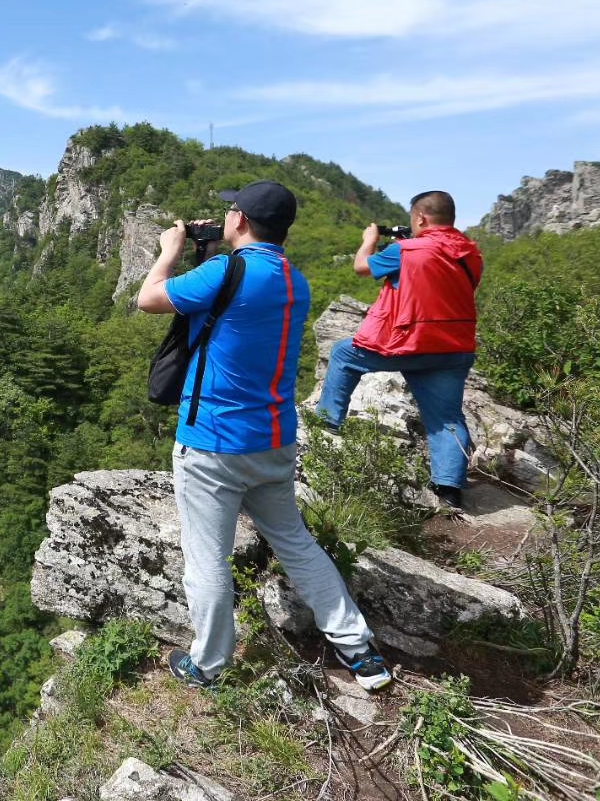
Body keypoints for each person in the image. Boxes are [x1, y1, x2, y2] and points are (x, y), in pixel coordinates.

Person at [137, 181, 391, 691]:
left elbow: (148, 299)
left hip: (211, 441)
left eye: (230, 209)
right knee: (296, 543)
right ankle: (360, 651)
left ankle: (208, 666)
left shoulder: (223, 273)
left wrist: (169, 252)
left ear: (241, 220)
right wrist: (212, 251)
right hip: (273, 438)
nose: (226, 215)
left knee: (206, 559)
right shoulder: (295, 281)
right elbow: (236, 309)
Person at [315, 191, 483, 511]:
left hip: (409, 342)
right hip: (453, 347)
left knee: (342, 354)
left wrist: (369, 240)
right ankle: (449, 491)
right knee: (447, 417)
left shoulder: (404, 251)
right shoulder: (470, 253)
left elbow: (362, 267)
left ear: (420, 218)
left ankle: (326, 425)